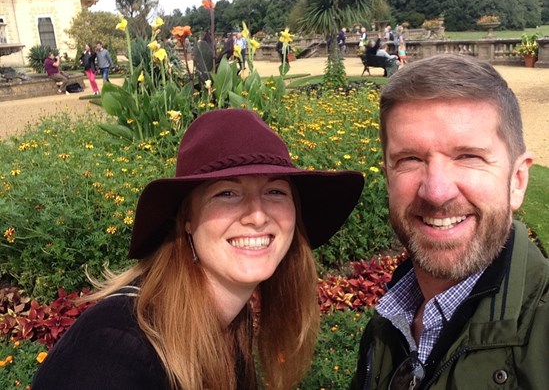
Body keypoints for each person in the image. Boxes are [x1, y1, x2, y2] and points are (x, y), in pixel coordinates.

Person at [32, 108, 365, 390]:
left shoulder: (230, 324)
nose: (258, 215)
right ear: (187, 218)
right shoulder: (116, 349)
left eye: (276, 192)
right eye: (227, 193)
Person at [350, 54, 548, 389]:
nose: (436, 192)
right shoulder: (388, 324)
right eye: (410, 159)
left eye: (468, 156)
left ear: (517, 180)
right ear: (388, 180)